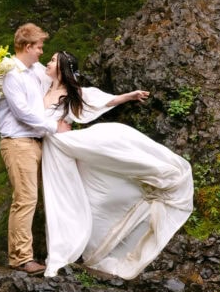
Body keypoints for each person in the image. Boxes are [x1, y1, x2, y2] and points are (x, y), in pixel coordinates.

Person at [39, 50, 194, 279]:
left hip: (63, 143)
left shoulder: (71, 93)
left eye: (52, 60)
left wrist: (129, 96)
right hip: (51, 145)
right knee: (62, 196)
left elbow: (101, 100)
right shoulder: (41, 85)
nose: (48, 63)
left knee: (113, 140)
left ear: (61, 68)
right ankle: (70, 242)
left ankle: (149, 184)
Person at [0, 23, 70, 275]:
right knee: (25, 199)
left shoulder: (34, 69)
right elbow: (23, 113)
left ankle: (33, 253)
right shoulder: (12, 75)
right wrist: (53, 126)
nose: (41, 52)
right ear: (27, 47)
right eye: (38, 47)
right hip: (18, 143)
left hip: (36, 143)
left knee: (32, 198)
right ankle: (21, 258)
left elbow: (59, 77)